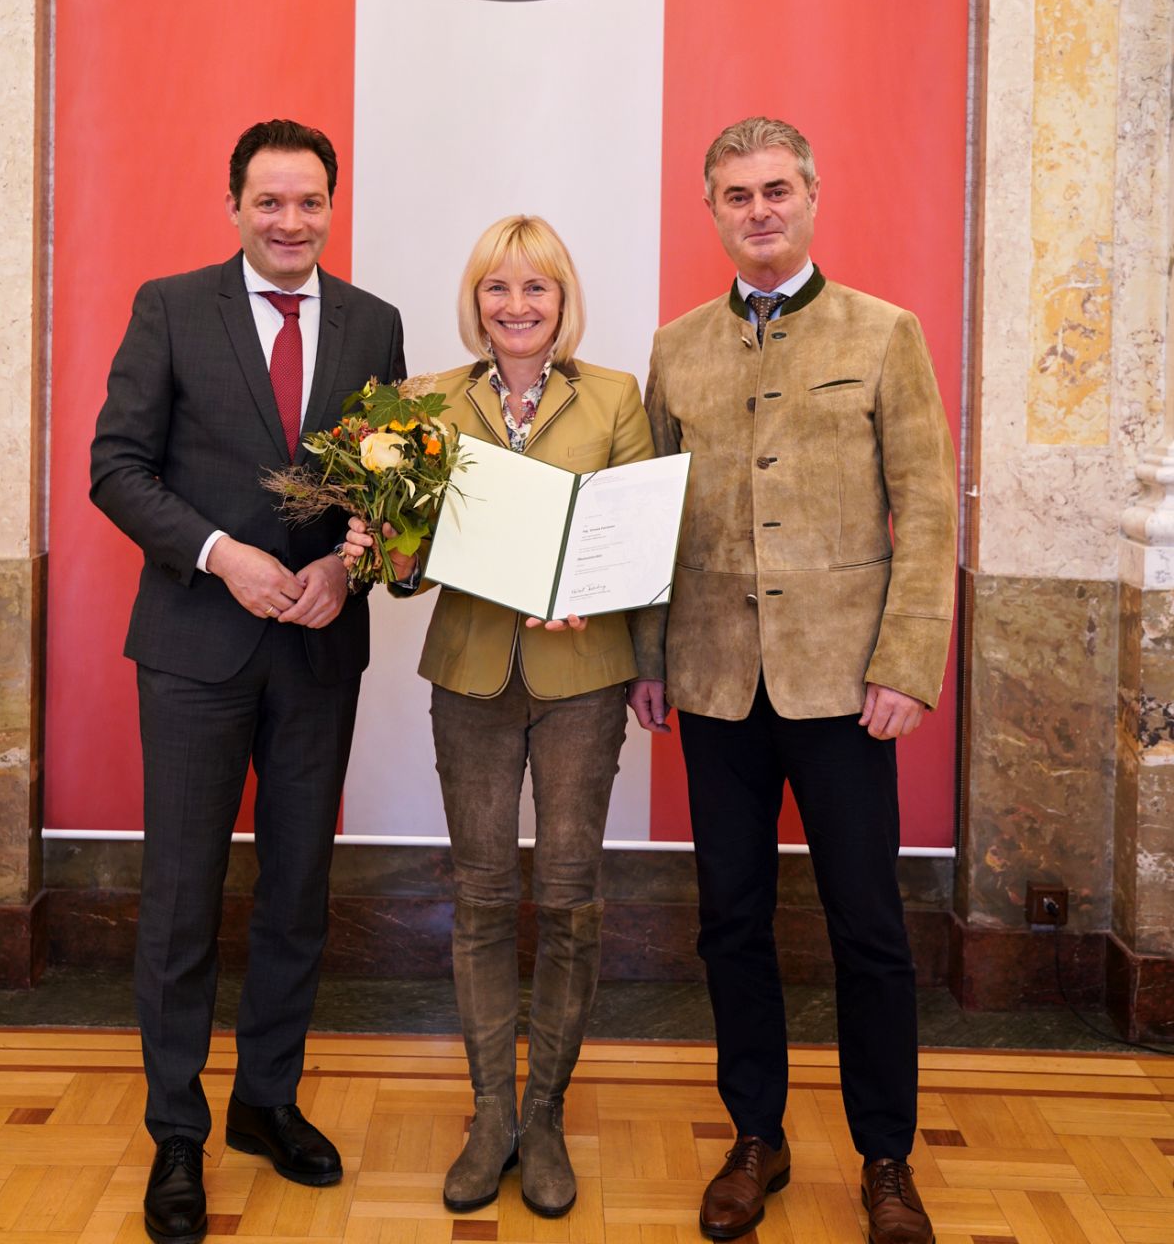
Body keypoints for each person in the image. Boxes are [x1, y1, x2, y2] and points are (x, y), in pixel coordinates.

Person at [628, 118, 956, 1244]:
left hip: (847, 686)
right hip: (716, 686)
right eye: (736, 193)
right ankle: (755, 1135)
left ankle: (886, 1157)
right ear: (710, 209)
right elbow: (651, 519)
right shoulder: (675, 347)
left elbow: (931, 512)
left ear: (812, 195)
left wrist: (908, 661)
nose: (758, 209)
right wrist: (649, 653)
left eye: (777, 189)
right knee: (731, 919)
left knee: (868, 925)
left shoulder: (884, 333)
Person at [90, 119, 405, 1244]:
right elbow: (114, 468)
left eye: (309, 201)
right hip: (193, 647)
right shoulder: (171, 307)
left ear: (332, 204)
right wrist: (225, 554)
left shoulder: (373, 323)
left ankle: (265, 1100)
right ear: (233, 205)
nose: (290, 221)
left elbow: (396, 487)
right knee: (180, 898)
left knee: (298, 889)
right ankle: (176, 1129)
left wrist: (345, 562)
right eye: (269, 201)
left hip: (319, 648)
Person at [343, 216, 653, 1220]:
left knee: (567, 896)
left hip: (583, 676)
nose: (517, 308)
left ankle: (547, 1111)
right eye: (497, 290)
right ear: (474, 302)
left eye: (537, 290)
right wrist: (378, 538)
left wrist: (595, 594)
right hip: (472, 676)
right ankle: (490, 1114)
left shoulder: (613, 395)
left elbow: (637, 541)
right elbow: (404, 569)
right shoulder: (426, 401)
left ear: (564, 302)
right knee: (479, 898)